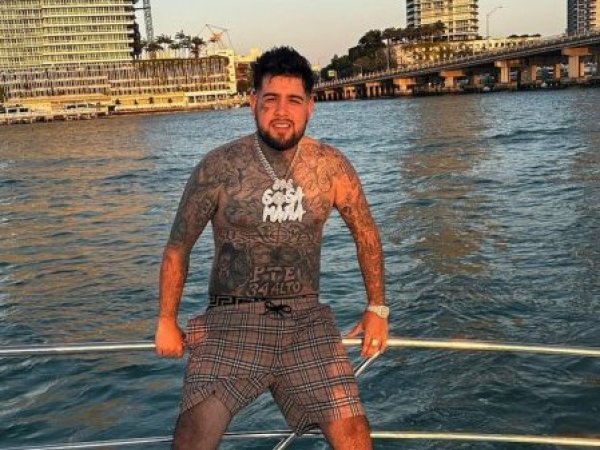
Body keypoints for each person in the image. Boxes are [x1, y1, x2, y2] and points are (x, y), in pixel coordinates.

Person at [155, 46, 389, 450]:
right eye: (271, 99)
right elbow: (178, 246)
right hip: (230, 321)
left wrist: (377, 309)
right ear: (253, 103)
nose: (282, 112)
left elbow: (366, 233)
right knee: (192, 435)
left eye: (294, 100)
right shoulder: (219, 167)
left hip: (306, 320)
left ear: (310, 106)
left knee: (354, 434)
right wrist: (166, 319)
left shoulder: (331, 166)